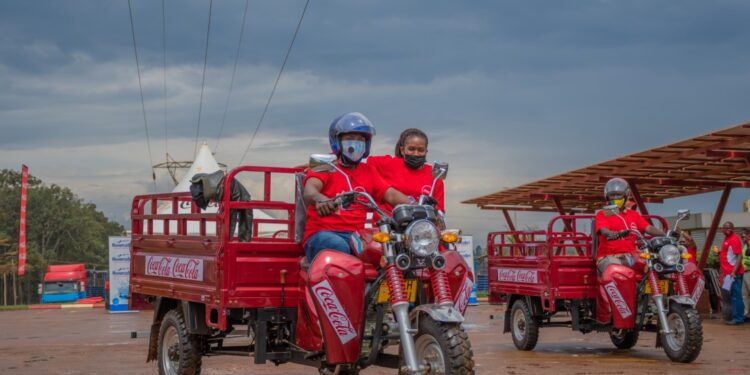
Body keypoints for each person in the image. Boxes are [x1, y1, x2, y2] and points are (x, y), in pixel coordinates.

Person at [303, 112, 410, 262]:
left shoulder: (369, 171)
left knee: (394, 249)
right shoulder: (326, 165)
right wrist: (321, 199)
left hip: (360, 236)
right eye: (349, 138)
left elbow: (391, 194)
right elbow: (310, 190)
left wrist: (415, 208)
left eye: (361, 139)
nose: (356, 143)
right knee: (338, 247)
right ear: (337, 141)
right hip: (325, 233)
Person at [594, 178, 666, 328]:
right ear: (607, 197)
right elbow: (603, 230)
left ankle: (655, 303)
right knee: (617, 273)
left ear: (626, 196)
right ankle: (615, 312)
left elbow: (647, 228)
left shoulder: (633, 215)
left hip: (631, 256)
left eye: (618, 196)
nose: (615, 199)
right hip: (609, 258)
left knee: (658, 265)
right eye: (612, 196)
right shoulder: (603, 214)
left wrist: (665, 234)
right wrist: (612, 234)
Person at [365, 128, 445, 213]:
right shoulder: (388, 163)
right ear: (402, 150)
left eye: (421, 150)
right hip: (386, 223)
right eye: (411, 149)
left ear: (426, 151)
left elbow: (440, 215)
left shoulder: (435, 177)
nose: (416, 153)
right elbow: (359, 163)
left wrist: (433, 210)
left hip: (419, 225)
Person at [720, 222, 745, 324]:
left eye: (727, 228)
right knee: (727, 295)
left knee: (736, 296)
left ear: (731, 229)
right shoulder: (727, 238)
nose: (725, 230)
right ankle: (730, 316)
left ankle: (738, 318)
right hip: (727, 274)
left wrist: (734, 272)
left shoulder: (734, 239)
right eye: (724, 228)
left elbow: (739, 256)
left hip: (733, 274)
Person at [741, 229, 750, 319]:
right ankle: (747, 314)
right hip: (745, 272)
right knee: (745, 294)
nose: (743, 238)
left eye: (744, 236)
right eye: (742, 237)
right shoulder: (744, 246)